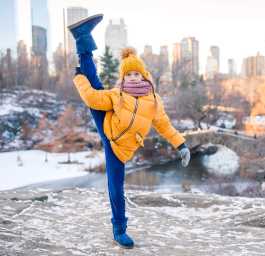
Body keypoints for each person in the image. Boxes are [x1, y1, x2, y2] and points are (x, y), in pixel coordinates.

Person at [67, 14, 191, 249]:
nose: (133, 77)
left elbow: (164, 125)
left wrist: (181, 145)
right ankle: (120, 230)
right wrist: (80, 79)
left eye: (136, 73)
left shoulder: (154, 101)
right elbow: (92, 97)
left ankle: (81, 36)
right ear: (123, 76)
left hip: (121, 148)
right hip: (108, 128)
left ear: (144, 75)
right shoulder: (118, 94)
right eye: (128, 74)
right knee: (93, 85)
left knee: (116, 187)